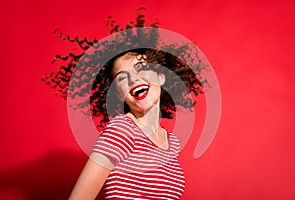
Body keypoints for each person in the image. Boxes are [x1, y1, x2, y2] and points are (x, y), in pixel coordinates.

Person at [42, 10, 205, 199]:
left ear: (161, 76)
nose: (133, 79)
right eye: (122, 78)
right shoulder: (121, 130)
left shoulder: (172, 142)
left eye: (140, 69)